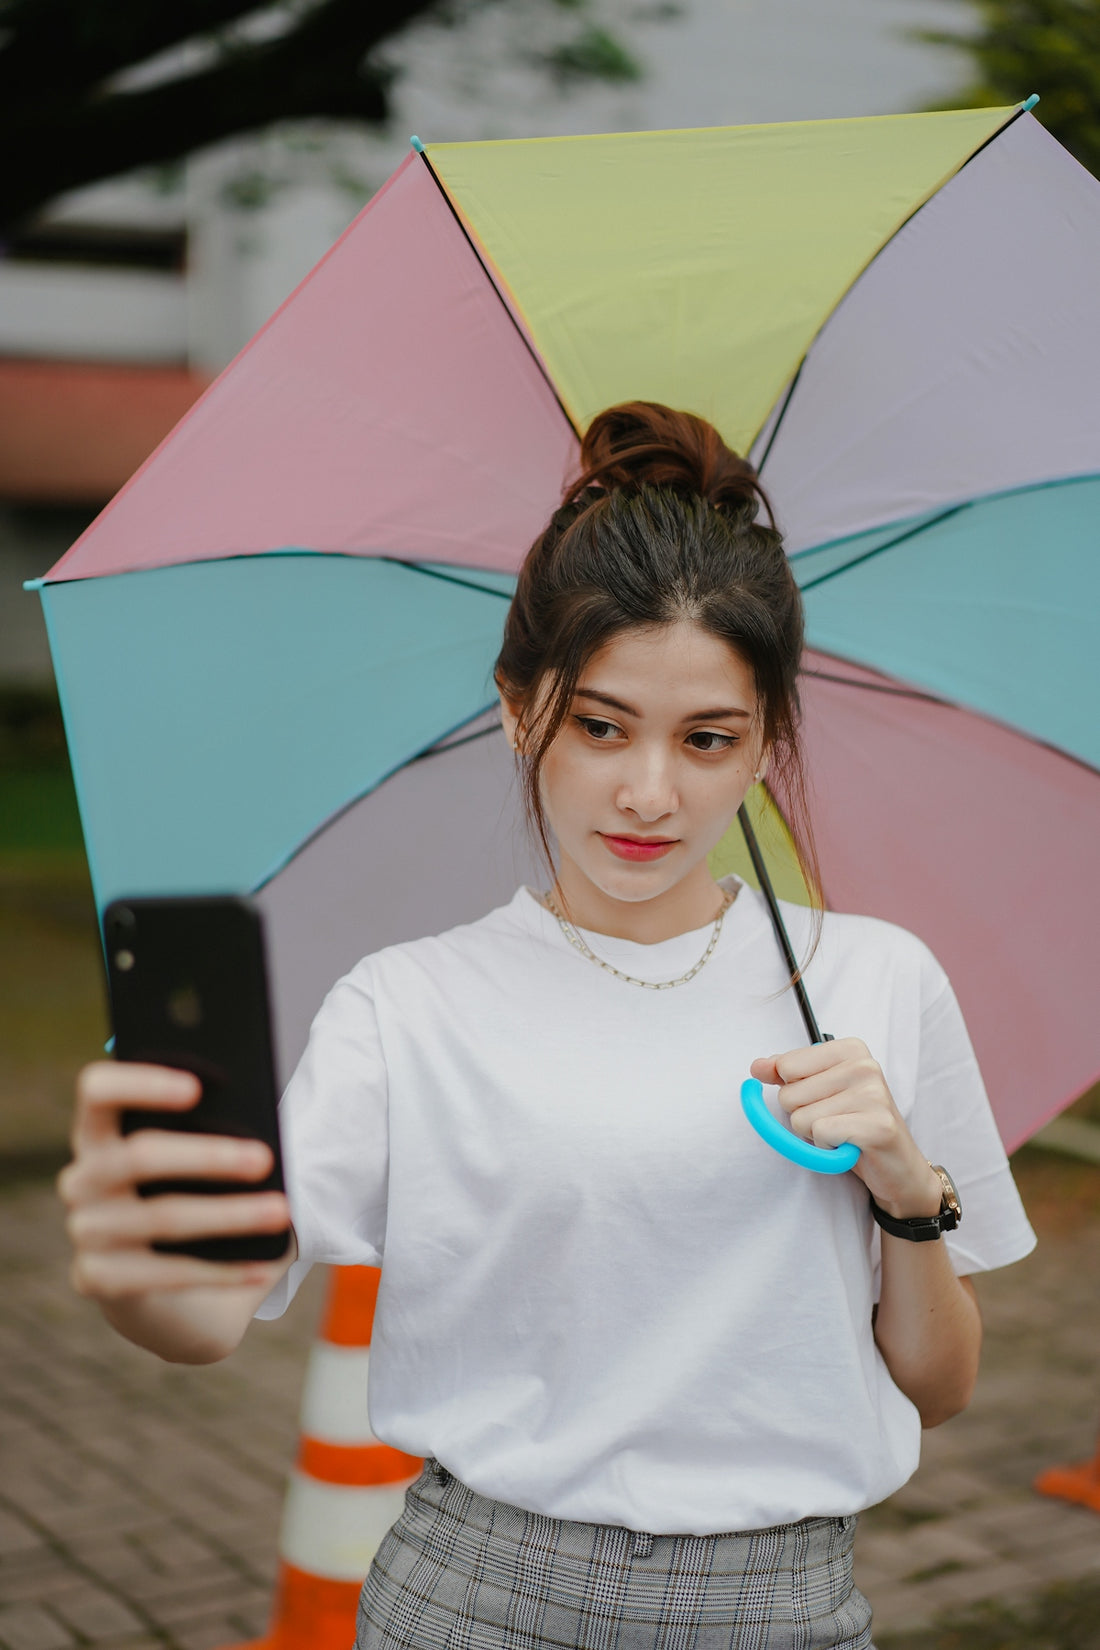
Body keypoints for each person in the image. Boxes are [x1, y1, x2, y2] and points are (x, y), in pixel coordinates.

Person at [60, 402, 1036, 1650]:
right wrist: (140, 1262)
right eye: (598, 725)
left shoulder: (875, 979)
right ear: (522, 710)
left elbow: (938, 1388)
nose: (648, 792)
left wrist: (906, 1187)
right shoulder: (407, 1006)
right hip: (476, 1599)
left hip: (788, 1612)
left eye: (707, 740)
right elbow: (207, 1319)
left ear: (765, 742)